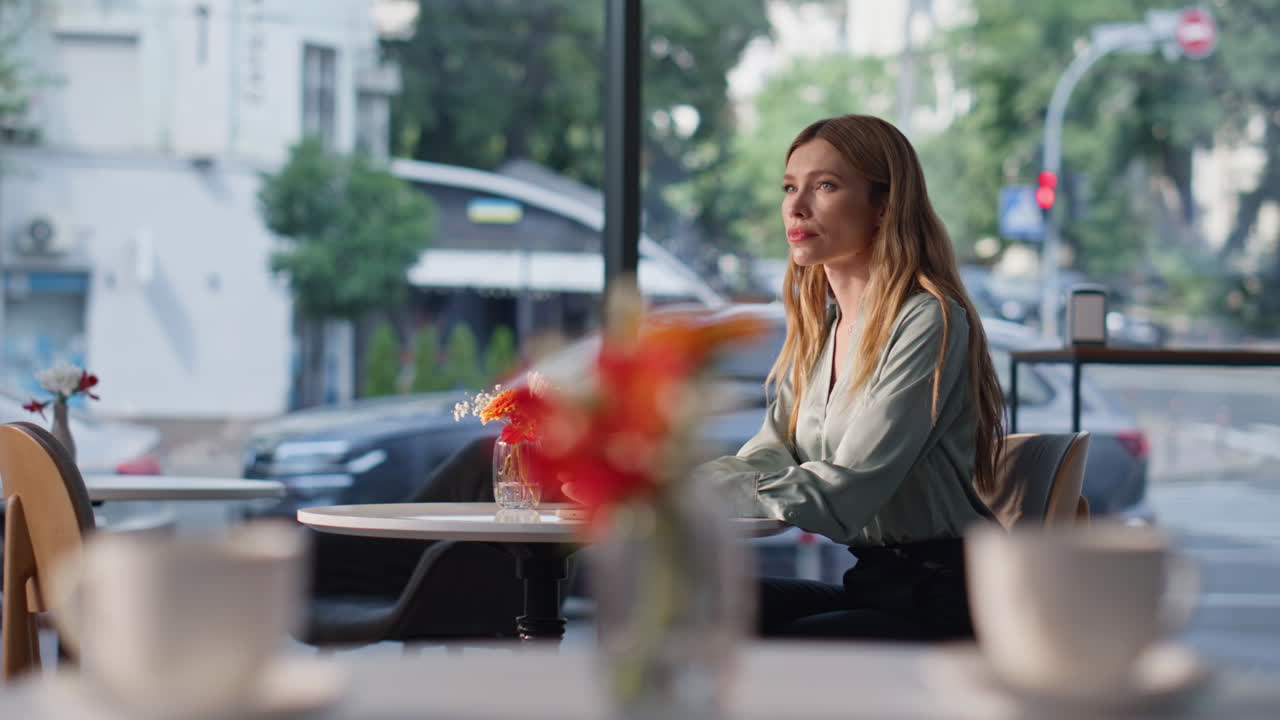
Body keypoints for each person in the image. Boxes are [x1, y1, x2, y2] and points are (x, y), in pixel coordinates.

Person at [695, 114, 1006, 640]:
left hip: (950, 595)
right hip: (875, 585)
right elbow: (772, 454)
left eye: (825, 186)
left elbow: (849, 488)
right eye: (790, 187)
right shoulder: (822, 329)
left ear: (884, 206)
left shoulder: (928, 318)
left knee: (772, 646)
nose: (796, 207)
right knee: (696, 609)